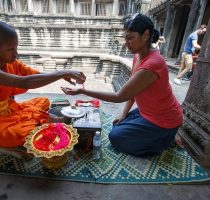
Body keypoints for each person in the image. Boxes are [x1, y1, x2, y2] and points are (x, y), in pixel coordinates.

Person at [62, 13, 183, 157]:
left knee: (116, 138)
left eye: (130, 38)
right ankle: (165, 135)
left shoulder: (153, 63)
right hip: (149, 113)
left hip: (164, 118)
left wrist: (84, 91)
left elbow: (119, 96)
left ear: (145, 35)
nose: (126, 43)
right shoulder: (138, 57)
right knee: (117, 124)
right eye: (125, 38)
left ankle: (163, 140)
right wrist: (124, 114)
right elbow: (132, 92)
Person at [0, 21, 86, 147]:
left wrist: (61, 76)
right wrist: (62, 73)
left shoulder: (7, 61)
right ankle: (42, 123)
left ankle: (42, 122)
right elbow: (24, 82)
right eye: (11, 49)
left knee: (43, 101)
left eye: (16, 48)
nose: (16, 53)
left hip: (9, 107)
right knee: (19, 133)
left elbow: (32, 74)